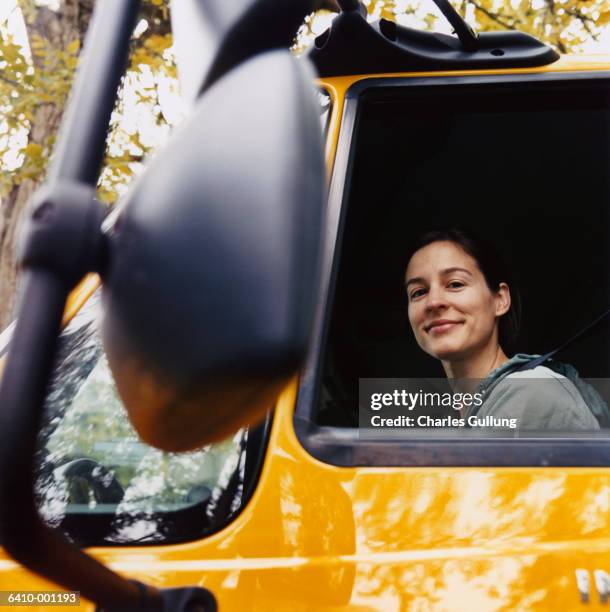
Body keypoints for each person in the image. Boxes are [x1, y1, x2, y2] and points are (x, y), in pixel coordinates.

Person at [404, 229, 600, 430]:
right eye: (418, 292)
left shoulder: (529, 391)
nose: (434, 302)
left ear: (500, 300)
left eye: (455, 284)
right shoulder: (455, 419)